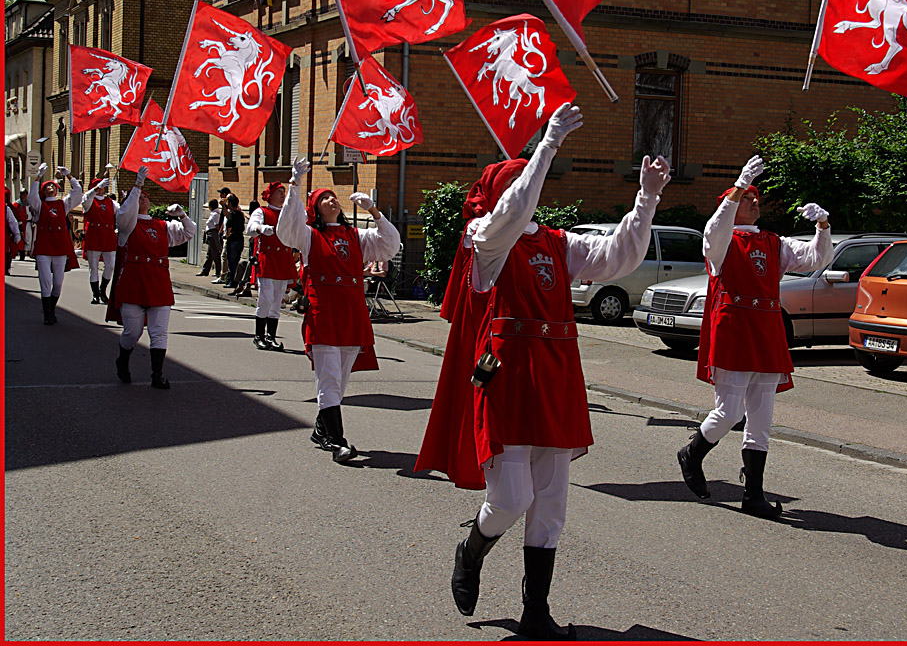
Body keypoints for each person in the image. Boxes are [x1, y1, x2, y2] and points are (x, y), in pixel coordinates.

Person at [417, 103, 673, 640]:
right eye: (520, 180)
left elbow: (620, 255)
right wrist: (546, 147)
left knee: (551, 503)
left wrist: (646, 199)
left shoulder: (559, 243)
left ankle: (537, 612)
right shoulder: (484, 240)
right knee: (511, 499)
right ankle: (472, 547)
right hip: (507, 379)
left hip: (555, 379)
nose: (530, 189)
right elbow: (511, 213)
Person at [676, 155, 833, 520]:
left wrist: (823, 225)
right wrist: (739, 185)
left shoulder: (773, 241)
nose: (755, 201)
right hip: (733, 330)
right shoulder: (721, 240)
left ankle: (754, 494)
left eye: (756, 197)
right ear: (731, 202)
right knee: (729, 411)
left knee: (761, 417)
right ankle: (692, 454)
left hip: (765, 330)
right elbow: (714, 230)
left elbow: (817, 258)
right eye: (749, 197)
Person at [276, 158, 401, 463]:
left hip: (353, 313)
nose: (332, 200)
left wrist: (374, 210)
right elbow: (286, 229)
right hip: (324, 313)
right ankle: (337, 441)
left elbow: (391, 245)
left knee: (340, 380)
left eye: (333, 196)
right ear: (315, 208)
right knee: (329, 378)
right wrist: (295, 184)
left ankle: (321, 429)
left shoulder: (356, 236)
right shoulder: (308, 235)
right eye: (324, 198)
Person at [107, 165, 196, 389]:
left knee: (159, 332)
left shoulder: (162, 225)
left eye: (145, 196)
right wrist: (137, 186)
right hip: (134, 283)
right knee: (132, 331)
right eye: (139, 197)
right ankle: (123, 359)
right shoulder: (127, 225)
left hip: (158, 283)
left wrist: (183, 215)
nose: (143, 199)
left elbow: (189, 233)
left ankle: (157, 375)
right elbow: (125, 216)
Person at [27, 163, 82, 324]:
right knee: (45, 281)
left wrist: (69, 176)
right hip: (44, 246)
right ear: (43, 191)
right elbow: (32, 197)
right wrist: (38, 176)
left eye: (53, 185)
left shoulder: (62, 205)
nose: (51, 186)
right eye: (48, 185)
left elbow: (77, 193)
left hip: (60, 246)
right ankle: (48, 315)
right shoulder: (40, 206)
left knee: (57, 283)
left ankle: (50, 309)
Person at [247, 184, 296, 350]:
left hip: (283, 260)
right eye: (279, 192)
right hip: (268, 260)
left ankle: (271, 337)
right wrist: (261, 228)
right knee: (265, 299)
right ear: (270, 195)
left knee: (277, 301)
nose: (283, 195)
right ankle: (258, 335)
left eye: (284, 192)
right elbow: (251, 228)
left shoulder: (286, 213)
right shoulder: (262, 211)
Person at [81, 176, 119, 304]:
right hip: (94, 237)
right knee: (93, 267)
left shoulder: (110, 202)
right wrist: (95, 188)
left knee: (110, 266)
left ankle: (103, 290)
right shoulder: (89, 200)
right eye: (99, 186)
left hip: (108, 237)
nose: (102, 188)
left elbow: (121, 212)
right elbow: (86, 198)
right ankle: (95, 294)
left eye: (103, 186)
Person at [223, 192, 245, 289]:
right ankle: (236, 280)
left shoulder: (232, 215)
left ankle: (232, 281)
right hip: (240, 239)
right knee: (236, 260)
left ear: (231, 204)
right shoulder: (241, 214)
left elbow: (229, 227)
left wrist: (227, 236)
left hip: (233, 240)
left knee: (231, 262)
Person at [198, 198, 223, 278]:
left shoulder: (216, 214)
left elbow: (217, 225)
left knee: (215, 253)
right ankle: (205, 270)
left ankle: (218, 272)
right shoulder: (213, 213)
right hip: (210, 234)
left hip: (213, 235)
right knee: (209, 254)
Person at [5, 188, 22, 274]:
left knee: (6, 251)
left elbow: (13, 222)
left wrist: (17, 234)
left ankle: (5, 267)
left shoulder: (7, 209)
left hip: (5, 234)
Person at [11, 190, 28, 261]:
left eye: (24, 194)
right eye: (21, 194)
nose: (22, 196)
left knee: (28, 239)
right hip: (19, 223)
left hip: (27, 224)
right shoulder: (16, 204)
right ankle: (20, 254)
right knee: (20, 239)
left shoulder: (29, 203)